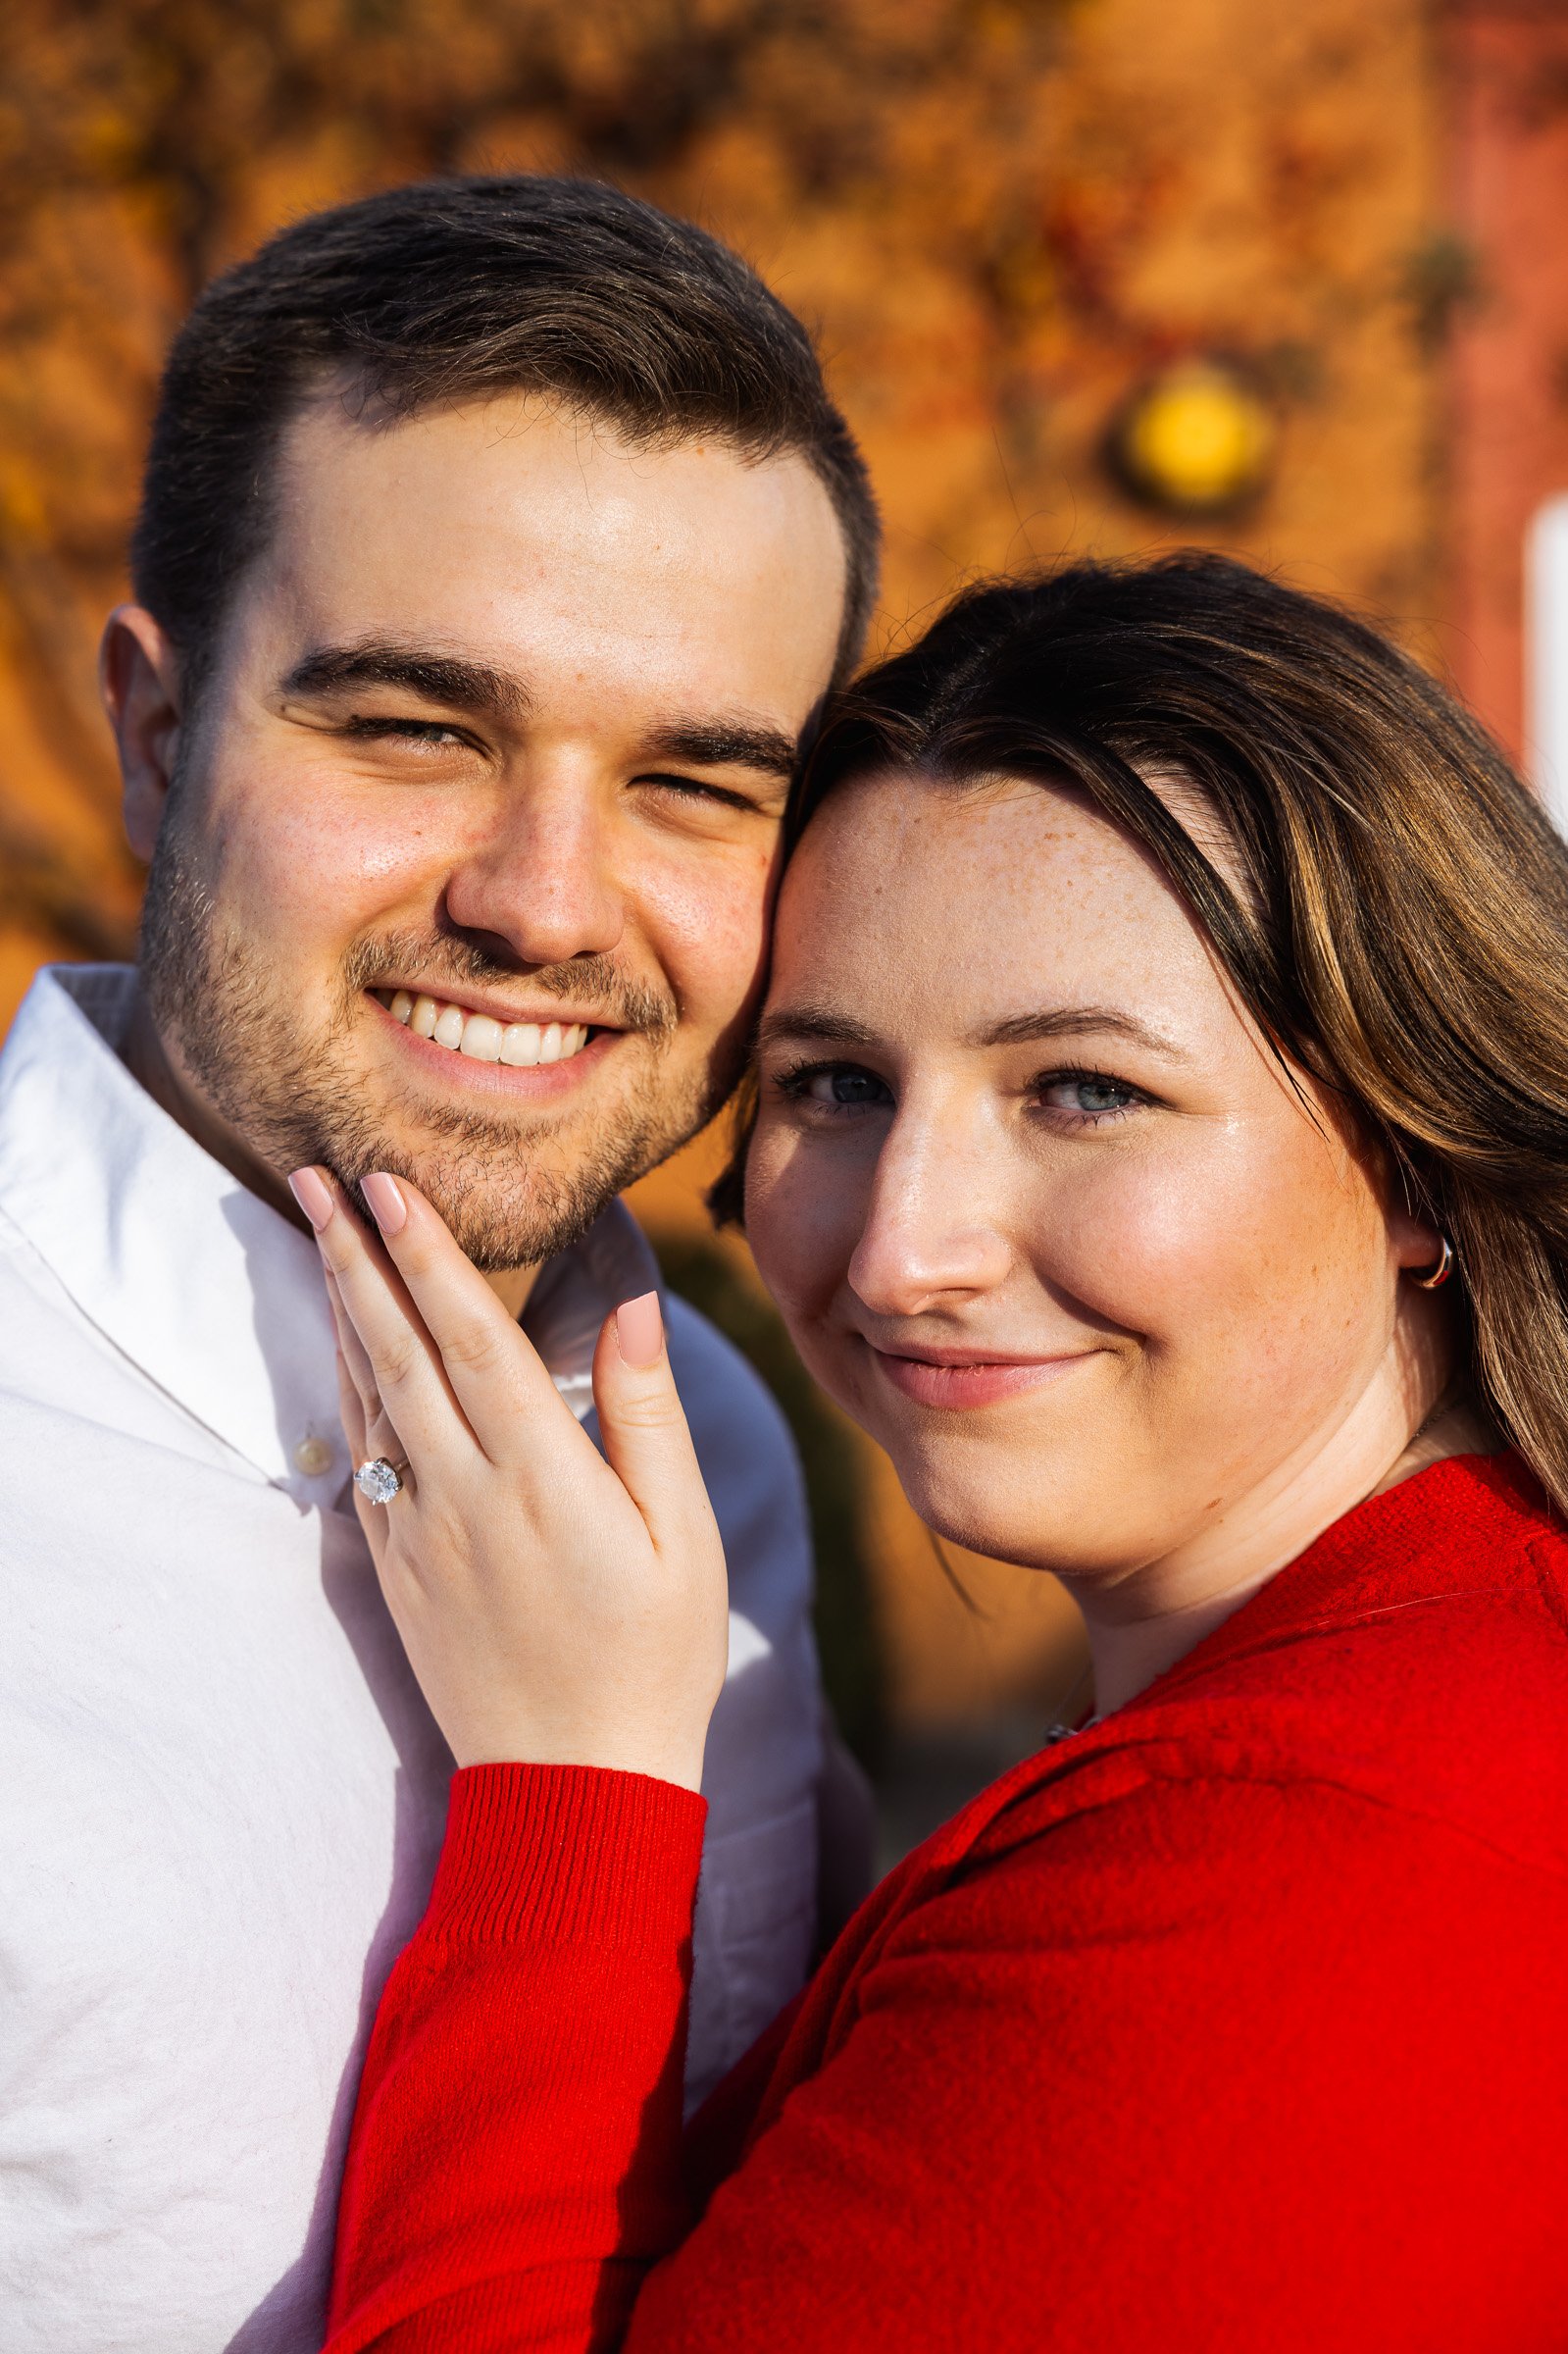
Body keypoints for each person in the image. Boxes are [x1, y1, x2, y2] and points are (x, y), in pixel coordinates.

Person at [311, 553, 1568, 2351]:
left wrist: (568, 1790)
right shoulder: (1424, 1680)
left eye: (1081, 1091)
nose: (904, 1249)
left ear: (1422, 1168)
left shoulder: (1308, 1871)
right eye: (834, 1084)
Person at [0, 177, 882, 2351]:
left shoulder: (721, 1457)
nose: (545, 901)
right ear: (151, 729)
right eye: (413, 730)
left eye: (693, 781)